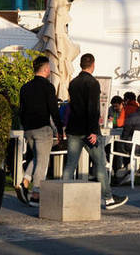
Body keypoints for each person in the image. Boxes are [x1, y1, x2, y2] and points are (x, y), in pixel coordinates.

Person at [62, 53, 126, 209]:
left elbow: (73, 107)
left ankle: (62, 195)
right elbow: (93, 108)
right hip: (89, 130)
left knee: (70, 165)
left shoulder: (73, 83)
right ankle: (108, 198)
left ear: (81, 65)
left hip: (73, 128)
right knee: (100, 164)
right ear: (93, 64)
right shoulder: (93, 83)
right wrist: (92, 130)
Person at [16, 55, 63, 205]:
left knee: (36, 158)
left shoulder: (25, 87)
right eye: (49, 68)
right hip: (43, 128)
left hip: (28, 129)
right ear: (46, 69)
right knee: (42, 163)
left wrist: (25, 125)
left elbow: (21, 110)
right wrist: (59, 130)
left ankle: (25, 182)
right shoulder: (48, 87)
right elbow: (53, 110)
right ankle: (36, 195)